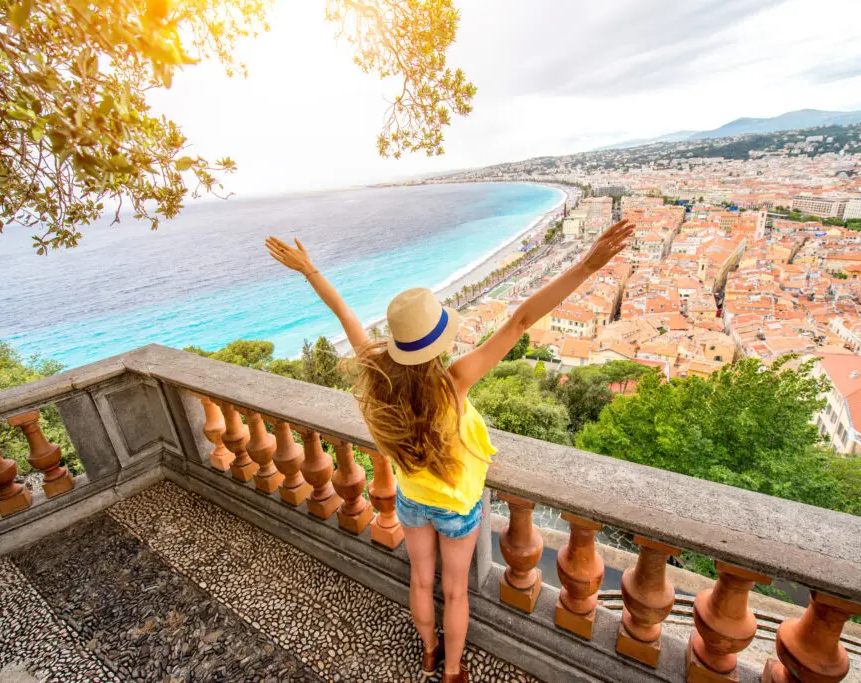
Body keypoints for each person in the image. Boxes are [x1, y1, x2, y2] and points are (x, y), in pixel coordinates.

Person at [266, 220, 633, 681]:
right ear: (438, 341)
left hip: (411, 500)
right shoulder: (454, 383)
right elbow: (520, 320)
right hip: (457, 506)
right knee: (455, 591)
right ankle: (454, 670)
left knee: (421, 580)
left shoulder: (379, 382)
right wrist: (585, 266)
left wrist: (310, 271)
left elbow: (346, 316)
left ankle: (427, 652)